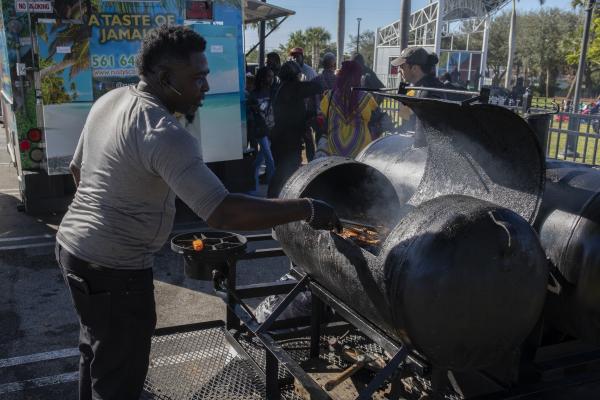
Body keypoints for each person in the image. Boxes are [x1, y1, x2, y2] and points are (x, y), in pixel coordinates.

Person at [55, 25, 340, 400]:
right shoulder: (163, 132)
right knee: (117, 380)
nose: (205, 87)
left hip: (71, 250)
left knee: (94, 352)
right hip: (114, 272)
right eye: (197, 78)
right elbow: (222, 212)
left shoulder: (112, 100)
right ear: (164, 78)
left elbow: (79, 170)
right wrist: (306, 207)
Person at [268, 61, 323, 198]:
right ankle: (274, 202)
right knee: (285, 172)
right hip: (287, 140)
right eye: (298, 74)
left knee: (284, 171)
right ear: (294, 75)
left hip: (283, 138)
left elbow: (295, 111)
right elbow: (316, 86)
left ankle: (276, 199)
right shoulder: (291, 88)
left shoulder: (284, 88)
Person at [316, 60, 379, 158]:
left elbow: (323, 121)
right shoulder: (367, 98)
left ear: (340, 76)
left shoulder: (329, 97)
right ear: (358, 77)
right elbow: (376, 120)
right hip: (361, 155)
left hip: (334, 154)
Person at [391, 46, 445, 147]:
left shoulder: (426, 92)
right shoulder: (427, 86)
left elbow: (423, 138)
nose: (399, 70)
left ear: (414, 68)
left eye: (402, 67)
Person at [248, 66, 276, 193]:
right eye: (268, 76)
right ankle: (272, 189)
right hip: (261, 130)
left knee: (259, 160)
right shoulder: (254, 94)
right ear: (262, 77)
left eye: (272, 76)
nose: (271, 79)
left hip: (271, 129)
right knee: (269, 160)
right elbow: (254, 114)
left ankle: (252, 182)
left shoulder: (274, 91)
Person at [289, 47, 318, 161]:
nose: (295, 58)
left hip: (307, 111)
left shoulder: (309, 71)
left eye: (297, 56)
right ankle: (296, 163)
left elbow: (314, 93)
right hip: (294, 111)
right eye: (293, 56)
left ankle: (311, 162)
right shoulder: (290, 71)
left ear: (302, 57)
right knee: (295, 140)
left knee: (308, 139)